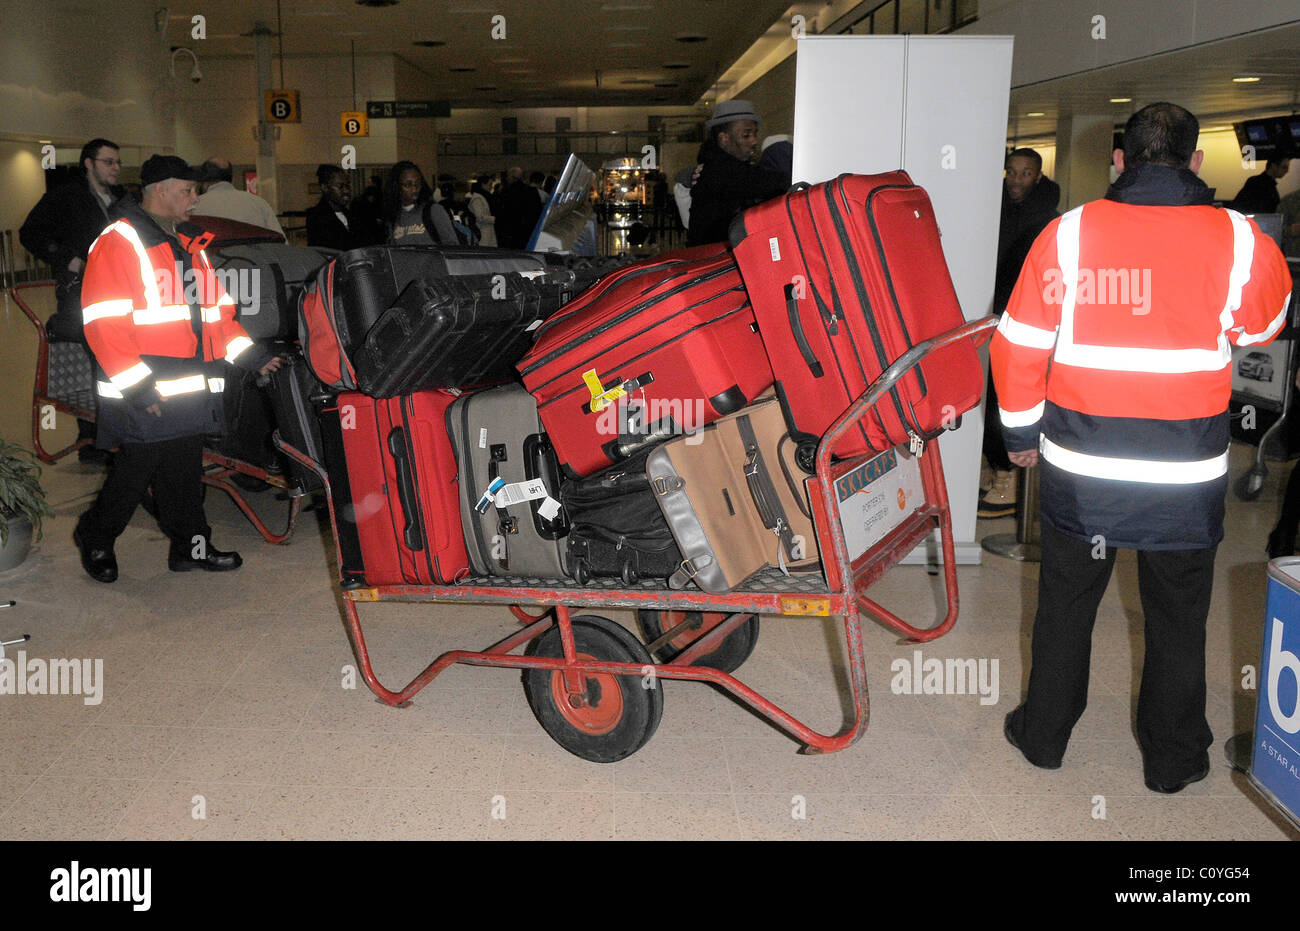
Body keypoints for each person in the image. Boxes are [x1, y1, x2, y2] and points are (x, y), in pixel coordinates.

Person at [993, 103, 1292, 793]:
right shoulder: (1240, 239)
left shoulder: (1068, 235)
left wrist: (1019, 434)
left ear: (1120, 162)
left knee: (1066, 603)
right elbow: (1264, 323)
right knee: (1179, 615)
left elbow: (1019, 342)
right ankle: (1172, 758)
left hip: (1081, 472)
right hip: (1183, 478)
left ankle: (1044, 736)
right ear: (1195, 162)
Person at [72, 155, 284, 583]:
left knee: (185, 472)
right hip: (146, 383)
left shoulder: (190, 242)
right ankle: (95, 535)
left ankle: (191, 548)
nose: (195, 198)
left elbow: (217, 315)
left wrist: (252, 356)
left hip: (188, 383)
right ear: (160, 190)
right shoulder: (120, 240)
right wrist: (139, 389)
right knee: (136, 471)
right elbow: (103, 323)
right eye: (187, 190)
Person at [19, 137, 128, 463]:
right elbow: (31, 233)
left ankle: (108, 434)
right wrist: (69, 260)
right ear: (89, 163)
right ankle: (96, 439)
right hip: (80, 295)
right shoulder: (65, 197)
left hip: (120, 293)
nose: (115, 168)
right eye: (108, 161)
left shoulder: (122, 199)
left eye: (117, 162)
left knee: (115, 362)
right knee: (98, 362)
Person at [979, 147, 1061, 518]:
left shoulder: (1051, 220)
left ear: (1038, 176)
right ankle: (999, 473)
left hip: (1030, 322)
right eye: (1011, 171)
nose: (1016, 180)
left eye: (1025, 173)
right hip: (993, 314)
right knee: (989, 394)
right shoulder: (991, 208)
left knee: (1009, 397)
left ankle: (1010, 481)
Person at [686, 99, 789, 246]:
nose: (754, 141)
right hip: (718, 259)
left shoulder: (717, 166)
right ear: (724, 139)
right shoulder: (721, 171)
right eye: (746, 135)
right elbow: (762, 182)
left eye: (755, 134)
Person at [194, 157, 284, 235]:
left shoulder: (194, 206)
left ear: (203, 182)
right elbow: (280, 241)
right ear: (233, 179)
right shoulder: (259, 203)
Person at [384, 161, 459, 246]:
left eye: (417, 184)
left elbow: (452, 245)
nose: (414, 189)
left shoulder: (433, 211)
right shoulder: (395, 217)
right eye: (408, 185)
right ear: (396, 186)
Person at [306, 165, 365, 251]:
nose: (346, 191)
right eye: (340, 186)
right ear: (325, 187)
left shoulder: (352, 215)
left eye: (347, 186)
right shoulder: (316, 217)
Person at [496, 166, 543, 249]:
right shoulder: (532, 192)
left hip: (511, 233)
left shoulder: (507, 193)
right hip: (528, 232)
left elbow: (503, 214)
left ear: (512, 177)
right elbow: (537, 212)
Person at [467, 177, 497, 247]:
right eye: (490, 184)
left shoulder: (482, 197)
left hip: (486, 234)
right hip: (483, 235)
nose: (491, 187)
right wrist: (494, 219)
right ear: (483, 185)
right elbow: (480, 217)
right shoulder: (477, 199)